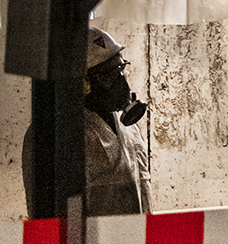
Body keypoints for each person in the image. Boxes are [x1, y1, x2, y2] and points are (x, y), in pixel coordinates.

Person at [23, 27, 152, 217]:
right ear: (80, 82)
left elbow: (143, 187)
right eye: (109, 75)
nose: (121, 82)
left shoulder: (128, 127)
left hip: (138, 240)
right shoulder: (50, 135)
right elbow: (47, 214)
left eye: (120, 70)